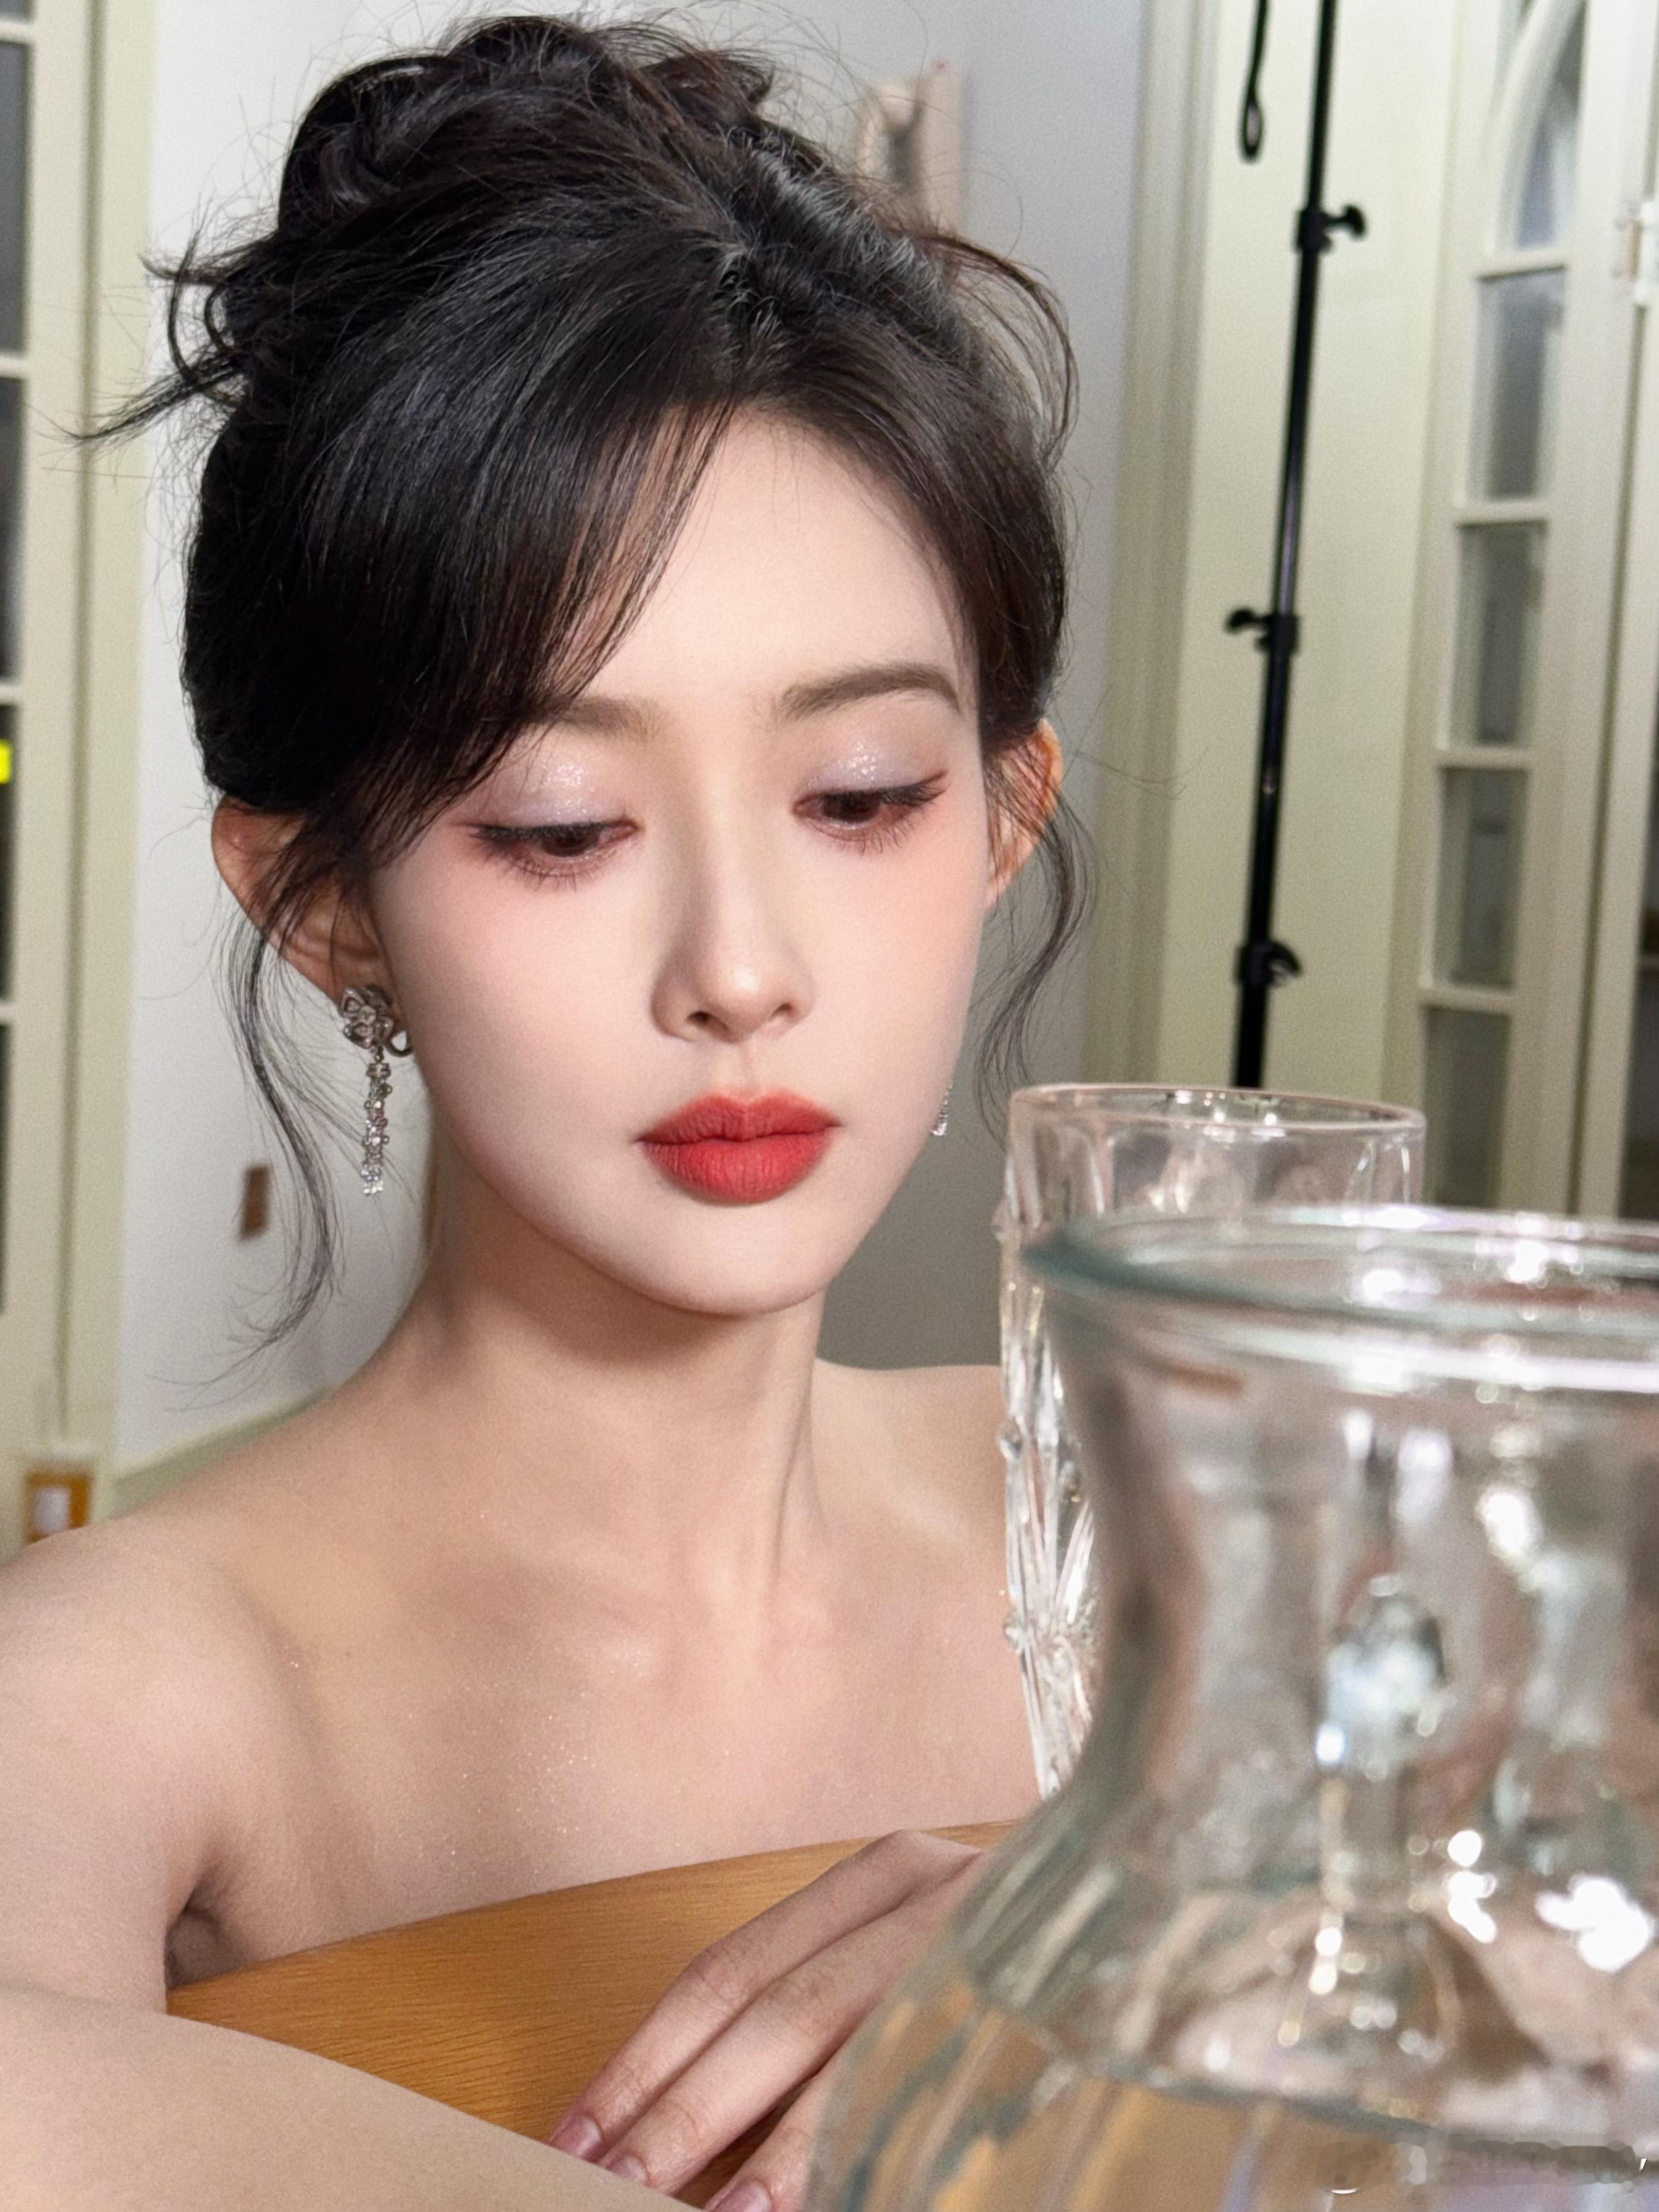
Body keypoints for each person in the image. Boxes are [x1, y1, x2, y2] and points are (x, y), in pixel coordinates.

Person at [0, 13, 1090, 2208]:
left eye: (861, 794)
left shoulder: (1119, 1519)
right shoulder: (129, 1684)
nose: (741, 968)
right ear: (324, 903)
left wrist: (1136, 1947)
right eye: (564, 825)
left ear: (1001, 815)